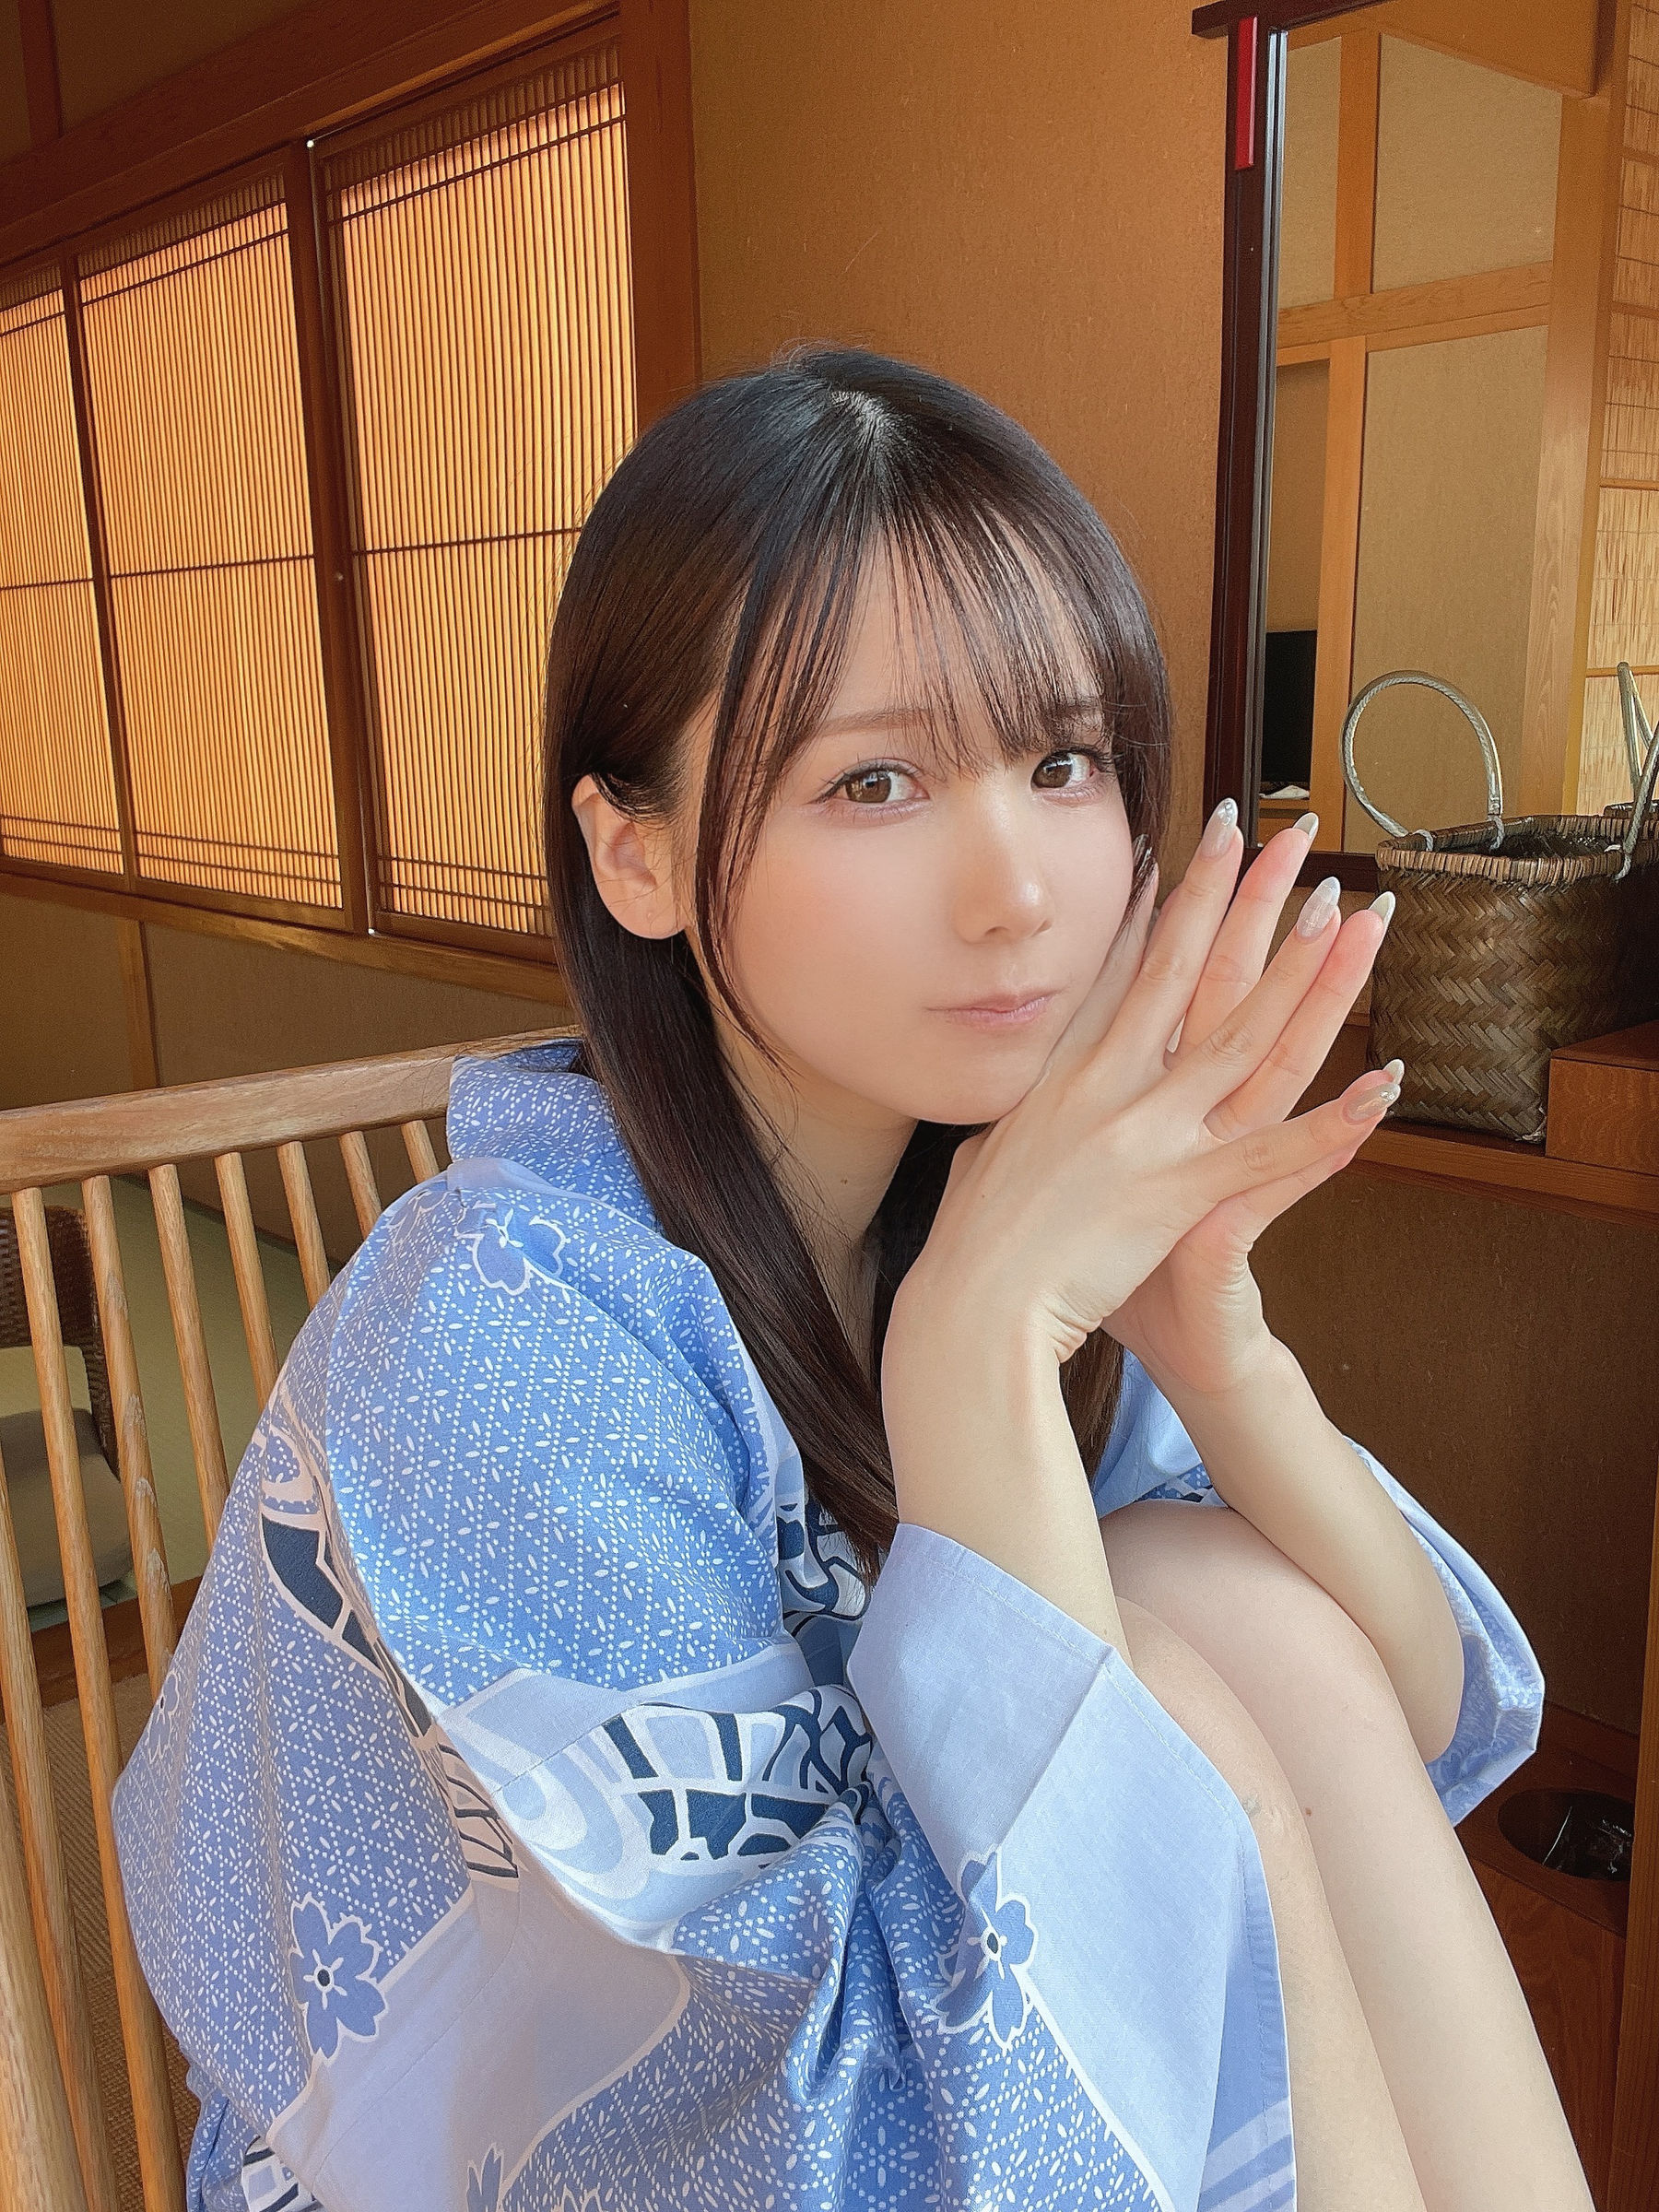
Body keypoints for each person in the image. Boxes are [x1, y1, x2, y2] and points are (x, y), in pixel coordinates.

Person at [114, 347, 1585, 2212]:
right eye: (874, 781)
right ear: (635, 854)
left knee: (1209, 1599)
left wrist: (1222, 1355)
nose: (1019, 890)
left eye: (1062, 762)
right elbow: (786, 2148)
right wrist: (978, 1350)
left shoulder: (976, 1211)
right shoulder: (498, 1327)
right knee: (1160, 1693)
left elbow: (1404, 1718)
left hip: (969, 2090)